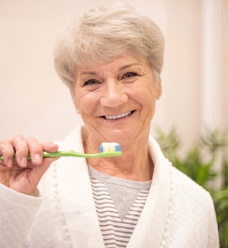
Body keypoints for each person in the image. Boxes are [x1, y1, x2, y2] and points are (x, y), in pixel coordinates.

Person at [0, 2, 219, 248]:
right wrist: (7, 203)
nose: (113, 98)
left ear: (158, 85)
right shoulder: (26, 188)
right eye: (92, 81)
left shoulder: (196, 205)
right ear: (74, 99)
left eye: (129, 75)